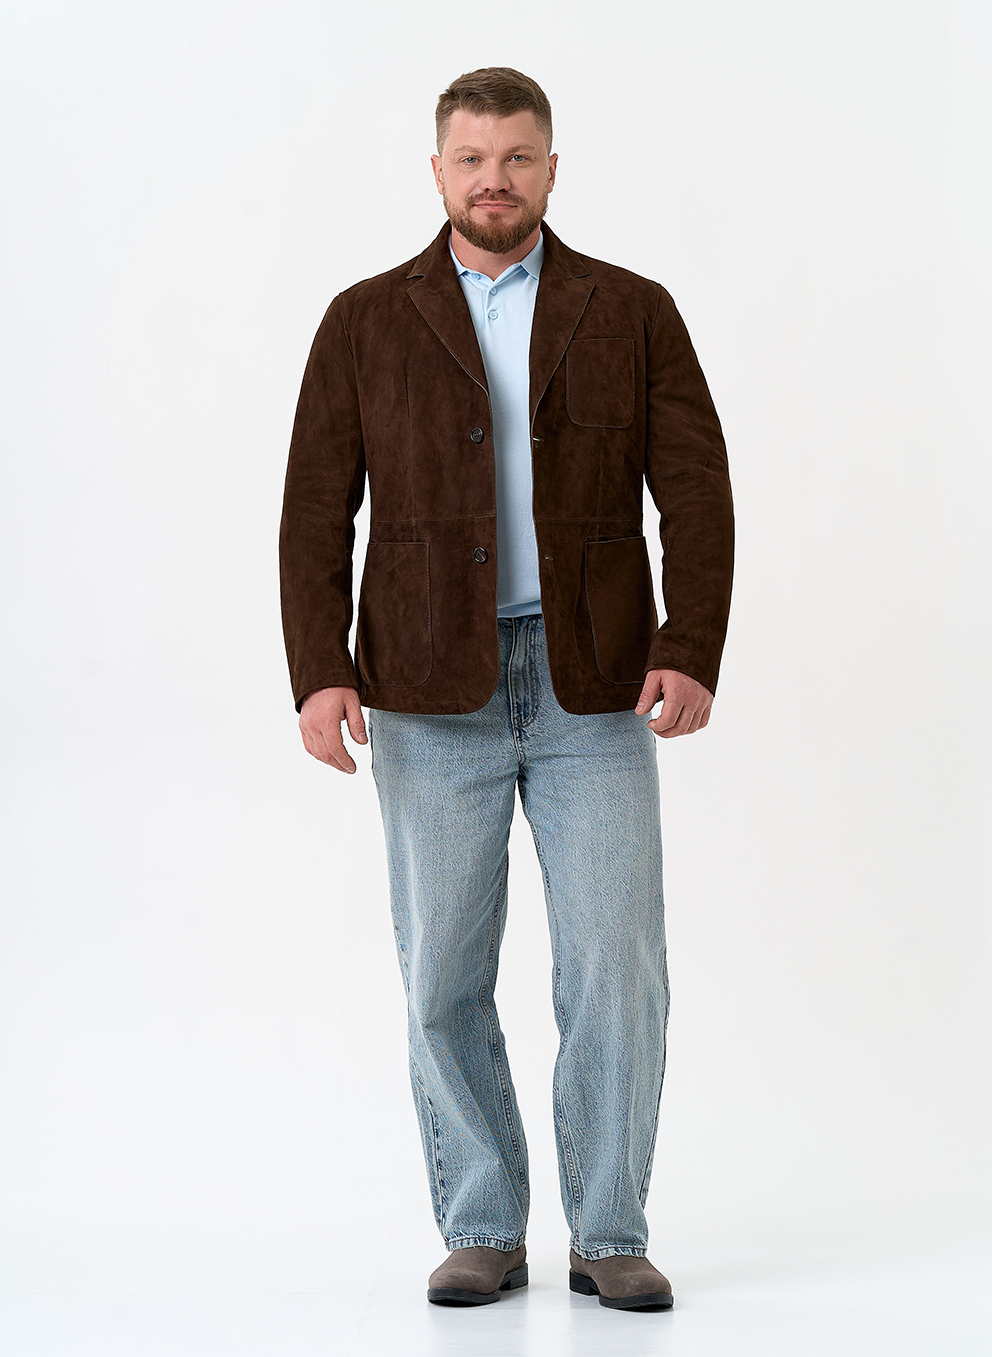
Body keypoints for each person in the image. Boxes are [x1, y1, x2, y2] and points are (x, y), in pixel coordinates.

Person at [279, 66, 734, 1313]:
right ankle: (481, 1222)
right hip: (426, 693)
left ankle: (609, 1228)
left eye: (517, 157)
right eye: (472, 159)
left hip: (595, 688)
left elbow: (694, 490)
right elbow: (316, 508)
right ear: (437, 171)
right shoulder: (362, 320)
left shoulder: (630, 310)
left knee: (615, 965)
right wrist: (319, 669)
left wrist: (690, 642)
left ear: (550, 167)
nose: (494, 179)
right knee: (439, 971)